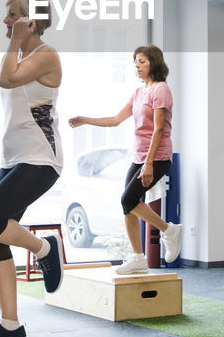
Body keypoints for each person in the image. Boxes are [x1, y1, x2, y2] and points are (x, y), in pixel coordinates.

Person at [0, 0, 65, 337]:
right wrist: (15, 42)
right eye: (6, 15)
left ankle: (45, 248)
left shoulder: (46, 55)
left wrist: (14, 40)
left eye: (12, 15)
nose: (5, 21)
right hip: (13, 160)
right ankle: (11, 327)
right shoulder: (20, 54)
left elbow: (6, 81)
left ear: (31, 21)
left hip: (40, 160)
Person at [68, 45, 183, 273]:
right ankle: (139, 257)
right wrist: (85, 120)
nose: (137, 66)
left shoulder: (161, 90)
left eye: (142, 62)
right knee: (127, 206)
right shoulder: (138, 93)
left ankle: (169, 231)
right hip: (139, 155)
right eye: (136, 62)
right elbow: (115, 119)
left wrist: (149, 163)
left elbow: (159, 130)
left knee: (127, 200)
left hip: (157, 156)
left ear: (154, 63)